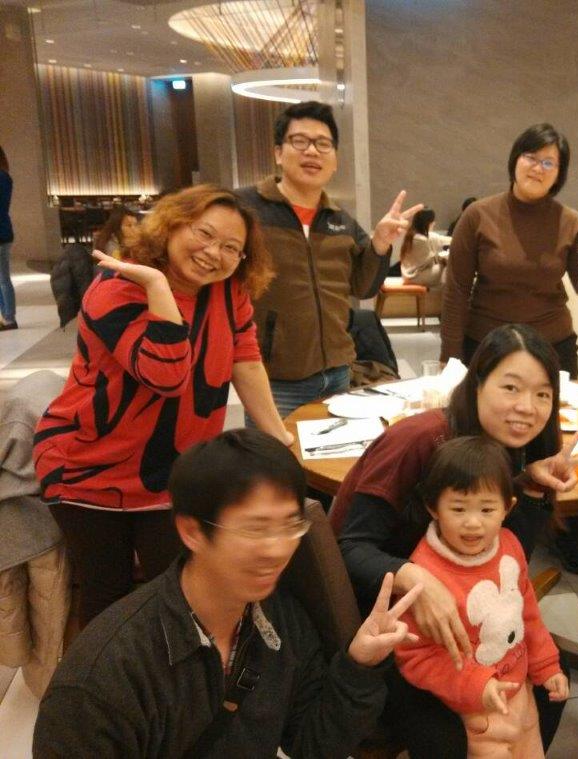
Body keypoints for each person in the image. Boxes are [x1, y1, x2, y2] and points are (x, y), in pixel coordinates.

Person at [33, 428, 422, 757]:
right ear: (192, 531)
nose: (277, 549)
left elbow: (311, 744)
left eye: (290, 525)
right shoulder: (102, 680)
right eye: (255, 529)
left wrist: (359, 666)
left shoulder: (281, 620)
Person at [331, 323, 578, 758]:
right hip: (390, 631)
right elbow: (347, 548)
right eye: (511, 387)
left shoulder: (508, 449)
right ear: (476, 384)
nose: (527, 407)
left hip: (463, 624)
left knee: (550, 688)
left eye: (542, 394)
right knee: (455, 734)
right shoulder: (418, 440)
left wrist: (530, 488)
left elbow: (505, 566)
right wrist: (417, 580)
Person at [34, 184, 291, 625]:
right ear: (171, 225)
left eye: (231, 248)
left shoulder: (227, 291)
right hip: (89, 468)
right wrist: (157, 284)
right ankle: (101, 672)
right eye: (204, 234)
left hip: (174, 470)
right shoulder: (120, 287)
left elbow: (245, 361)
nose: (214, 253)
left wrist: (280, 437)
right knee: (108, 598)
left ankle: (171, 669)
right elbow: (166, 375)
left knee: (178, 594)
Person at [236, 100, 421, 420]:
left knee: (335, 449)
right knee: (276, 452)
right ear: (278, 153)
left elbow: (364, 287)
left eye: (323, 144)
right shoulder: (245, 209)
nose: (312, 151)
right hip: (274, 378)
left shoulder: (340, 220)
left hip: (338, 372)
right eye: (300, 141)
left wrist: (379, 244)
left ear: (334, 160)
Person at [394, 436, 570, 757]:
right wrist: (477, 685)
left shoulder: (509, 546)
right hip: (474, 712)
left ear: (507, 508)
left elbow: (527, 613)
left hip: (520, 695)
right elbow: (415, 656)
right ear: (433, 508)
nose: (473, 523)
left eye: (487, 509)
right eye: (458, 508)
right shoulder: (425, 575)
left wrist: (547, 666)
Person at [440, 123, 578, 378]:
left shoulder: (569, 221)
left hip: (552, 348)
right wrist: (450, 358)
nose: (537, 168)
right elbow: (456, 290)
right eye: (531, 157)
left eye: (548, 163)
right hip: (486, 345)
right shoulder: (477, 215)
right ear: (515, 159)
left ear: (559, 174)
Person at [400, 207, 451, 287]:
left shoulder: (413, 235)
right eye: (433, 221)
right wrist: (442, 258)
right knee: (446, 265)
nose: (434, 223)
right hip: (414, 276)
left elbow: (440, 239)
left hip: (409, 274)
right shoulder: (420, 239)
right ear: (428, 222)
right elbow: (428, 262)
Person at [0, 145, 16, 331]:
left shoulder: (2, 178)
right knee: (2, 278)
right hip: (4, 231)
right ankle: (6, 315)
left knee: (3, 278)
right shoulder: (5, 177)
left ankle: (9, 317)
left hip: (2, 233)